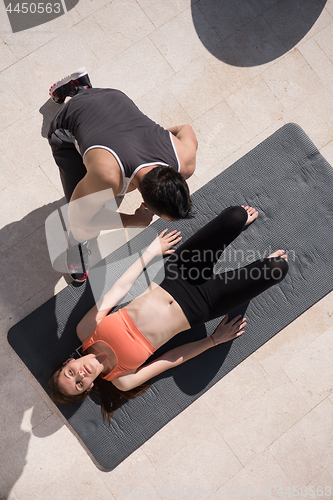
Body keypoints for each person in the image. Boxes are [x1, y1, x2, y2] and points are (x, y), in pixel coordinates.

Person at [49, 205, 289, 421]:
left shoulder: (86, 330)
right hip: (202, 306)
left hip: (177, 274)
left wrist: (151, 251)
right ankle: (261, 264)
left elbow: (119, 289)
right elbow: (171, 358)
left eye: (70, 372)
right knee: (278, 268)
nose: (80, 374)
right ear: (89, 387)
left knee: (235, 215)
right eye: (80, 384)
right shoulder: (122, 380)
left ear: (69, 361)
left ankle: (235, 228)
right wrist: (214, 339)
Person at [48, 69, 198, 282]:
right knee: (84, 215)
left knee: (109, 192)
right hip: (66, 125)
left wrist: (145, 139)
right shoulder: (108, 177)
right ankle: (77, 247)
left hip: (114, 97)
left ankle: (82, 88)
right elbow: (78, 217)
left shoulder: (185, 159)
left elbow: (185, 128)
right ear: (145, 201)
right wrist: (134, 220)